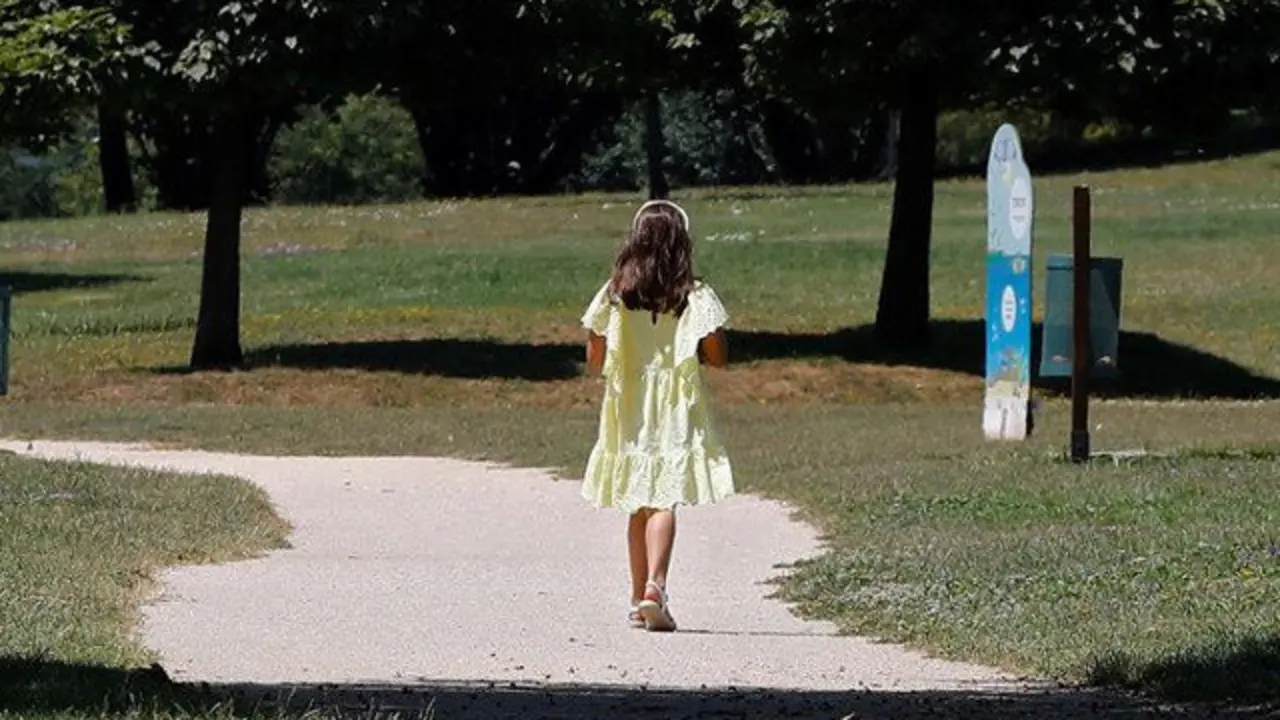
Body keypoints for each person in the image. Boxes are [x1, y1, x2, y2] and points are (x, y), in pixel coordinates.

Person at [579, 199, 735, 632]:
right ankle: (655, 587)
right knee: (663, 497)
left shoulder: (615, 292)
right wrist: (708, 347)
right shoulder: (694, 294)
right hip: (672, 403)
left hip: (628, 401)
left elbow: (595, 347)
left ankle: (637, 596)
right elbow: (717, 355)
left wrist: (608, 360)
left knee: (638, 501)